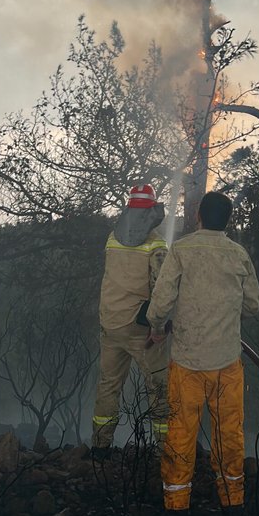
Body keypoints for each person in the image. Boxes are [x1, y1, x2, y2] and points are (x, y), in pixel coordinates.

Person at [147, 191, 259, 513]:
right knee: (229, 433)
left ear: (198, 216)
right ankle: (232, 499)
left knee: (181, 434)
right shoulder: (238, 255)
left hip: (187, 364)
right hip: (227, 364)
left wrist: (157, 329)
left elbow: (160, 305)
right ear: (227, 220)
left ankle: (176, 503)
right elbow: (254, 305)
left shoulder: (181, 251)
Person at [92, 184, 170, 456]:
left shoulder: (112, 238)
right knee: (158, 387)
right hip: (140, 330)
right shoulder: (157, 244)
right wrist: (158, 328)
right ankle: (166, 450)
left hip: (110, 324)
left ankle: (100, 447)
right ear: (152, 209)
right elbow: (161, 289)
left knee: (108, 385)